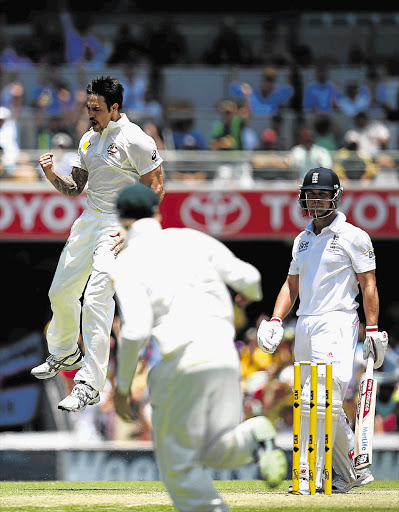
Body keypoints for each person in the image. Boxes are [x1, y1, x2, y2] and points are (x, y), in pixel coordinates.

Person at [111, 183, 287, 512]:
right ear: (158, 213)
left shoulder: (127, 260)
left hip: (181, 363)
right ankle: (254, 436)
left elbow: (134, 330)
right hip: (223, 357)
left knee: (179, 469)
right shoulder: (190, 237)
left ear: (121, 221)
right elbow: (250, 278)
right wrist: (246, 293)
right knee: (215, 449)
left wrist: (121, 389)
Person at [31, 76, 164, 413]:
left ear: (115, 107)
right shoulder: (88, 139)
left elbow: (157, 187)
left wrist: (133, 228)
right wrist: (51, 177)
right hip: (89, 220)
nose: (90, 113)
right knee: (59, 292)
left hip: (119, 226)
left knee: (96, 299)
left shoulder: (136, 140)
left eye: (97, 108)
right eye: (88, 107)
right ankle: (64, 352)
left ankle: (90, 383)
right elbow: (76, 188)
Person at [256, 167, 389, 494]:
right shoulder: (301, 240)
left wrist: (372, 329)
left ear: (335, 196)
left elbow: (368, 284)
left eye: (321, 194)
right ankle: (348, 473)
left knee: (324, 401)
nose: (315, 200)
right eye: (311, 194)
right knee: (309, 404)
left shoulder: (354, 236)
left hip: (338, 322)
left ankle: (319, 476)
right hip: (306, 323)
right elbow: (291, 285)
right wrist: (276, 320)